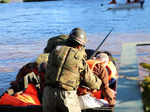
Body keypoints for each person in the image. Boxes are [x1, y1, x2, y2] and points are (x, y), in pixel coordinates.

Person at [42, 28, 104, 112]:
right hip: (66, 96)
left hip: (48, 94)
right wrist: (100, 83)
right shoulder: (79, 59)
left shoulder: (55, 51)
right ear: (80, 45)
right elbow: (90, 81)